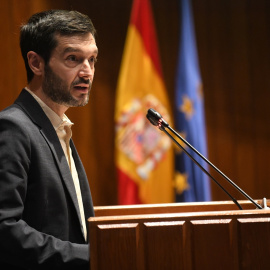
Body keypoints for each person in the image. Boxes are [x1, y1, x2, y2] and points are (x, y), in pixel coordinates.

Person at [0, 9, 98, 269]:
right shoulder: (13, 128)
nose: (87, 72)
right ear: (36, 63)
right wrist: (92, 256)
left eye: (92, 60)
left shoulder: (59, 127)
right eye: (73, 59)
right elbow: (5, 229)